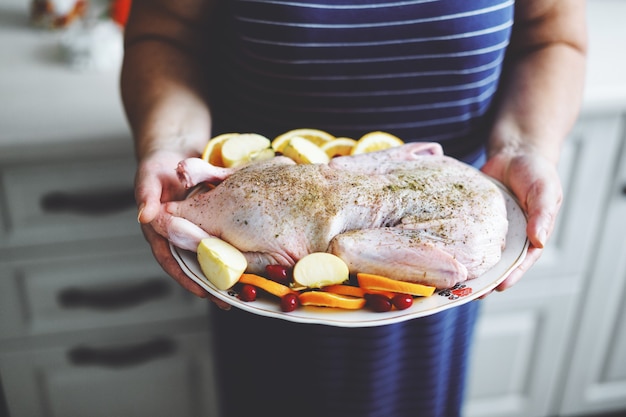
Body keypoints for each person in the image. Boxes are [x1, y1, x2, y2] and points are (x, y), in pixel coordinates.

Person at [121, 1, 587, 416]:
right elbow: (163, 33)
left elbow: (553, 34)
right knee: (274, 390)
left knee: (411, 392)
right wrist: (171, 145)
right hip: (262, 258)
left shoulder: (461, 234)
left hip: (454, 218)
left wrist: (527, 145)